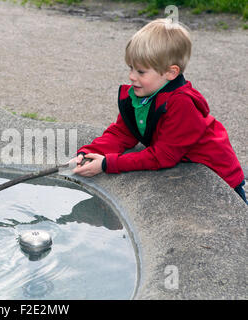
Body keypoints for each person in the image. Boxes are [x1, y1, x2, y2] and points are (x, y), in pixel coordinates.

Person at [72, 18, 247, 204]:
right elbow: (123, 132)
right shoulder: (142, 94)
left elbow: (163, 156)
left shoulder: (182, 103)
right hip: (187, 169)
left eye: (141, 72)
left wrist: (108, 164)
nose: (131, 77)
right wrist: (89, 152)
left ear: (171, 73)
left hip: (220, 180)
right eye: (131, 68)